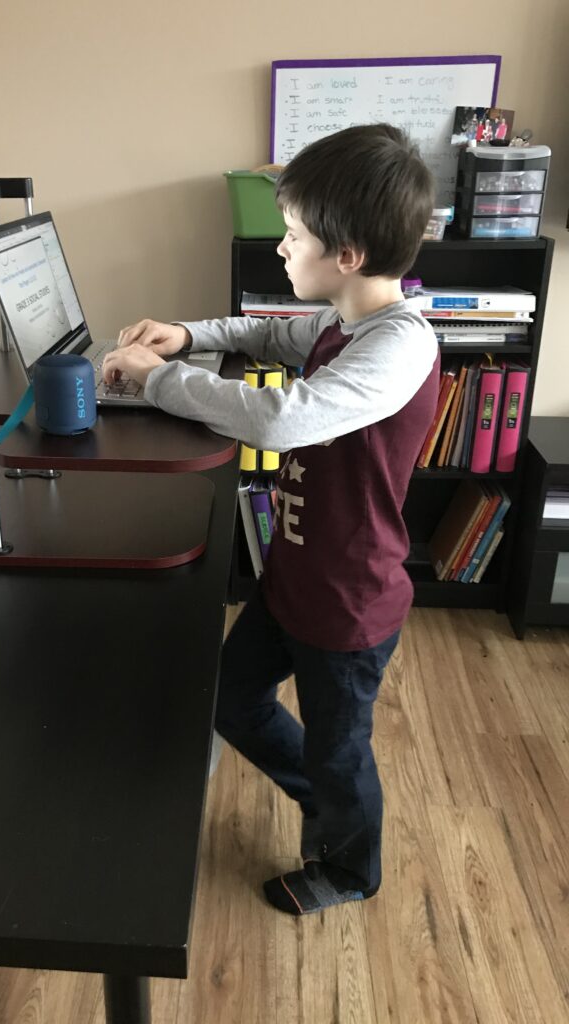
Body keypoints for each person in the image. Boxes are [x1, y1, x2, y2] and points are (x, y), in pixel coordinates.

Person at [102, 124, 440, 916]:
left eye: (293, 237)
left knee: (340, 749)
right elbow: (262, 332)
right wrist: (185, 336)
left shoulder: (398, 347)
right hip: (297, 580)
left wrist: (159, 381)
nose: (282, 249)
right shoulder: (339, 323)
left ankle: (351, 866)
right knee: (233, 700)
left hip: (347, 606)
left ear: (347, 254)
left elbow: (282, 419)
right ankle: (321, 803)